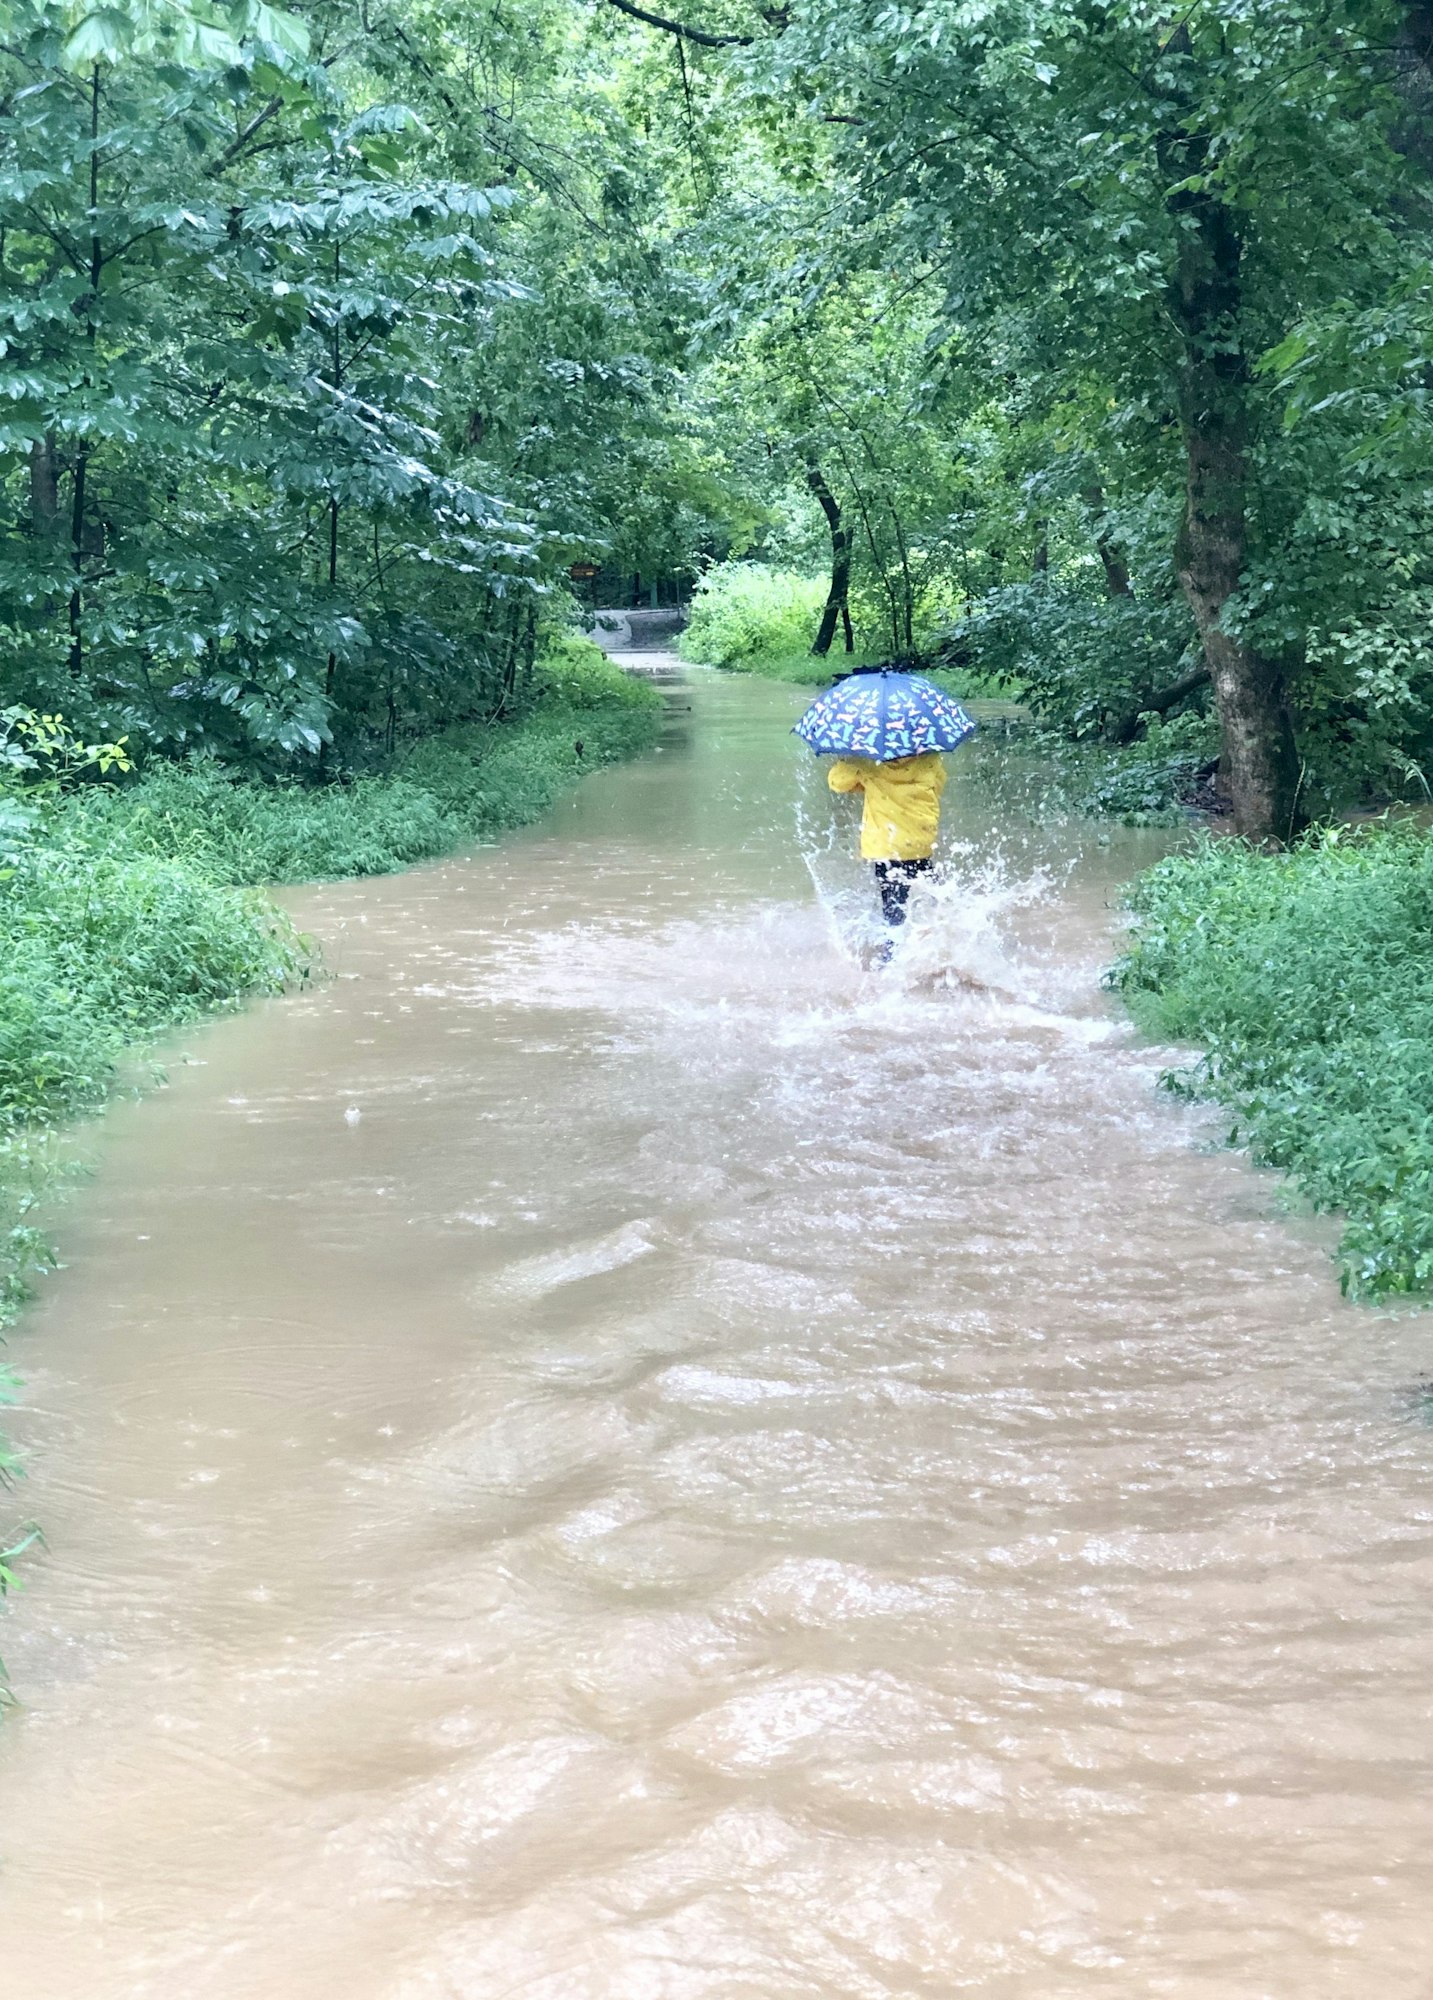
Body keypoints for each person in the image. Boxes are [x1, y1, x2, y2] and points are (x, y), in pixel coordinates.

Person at [827, 750, 947, 935]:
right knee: (928, 893)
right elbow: (937, 786)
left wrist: (844, 760)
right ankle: (936, 937)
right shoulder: (930, 758)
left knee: (893, 904)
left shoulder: (867, 761)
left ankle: (892, 953)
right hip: (919, 842)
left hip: (886, 846)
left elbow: (837, 783)